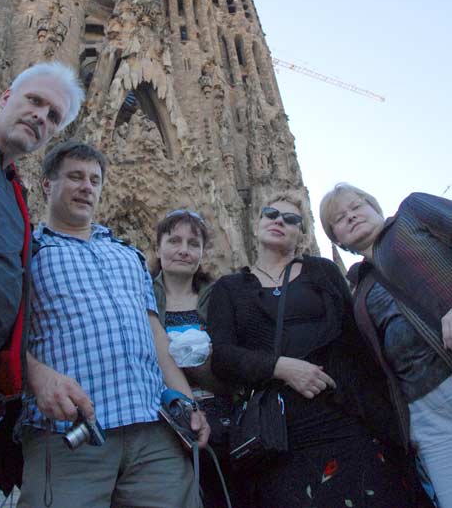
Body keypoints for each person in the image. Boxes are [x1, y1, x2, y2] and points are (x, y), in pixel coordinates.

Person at [207, 190, 432, 508]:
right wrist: (280, 367)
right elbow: (223, 357)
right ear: (255, 223)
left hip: (343, 416)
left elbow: (356, 345)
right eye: (271, 214)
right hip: (281, 435)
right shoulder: (229, 289)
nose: (279, 222)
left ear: (301, 232)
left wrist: (391, 423)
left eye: (290, 219)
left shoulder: (322, 271)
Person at [18, 141, 210, 508]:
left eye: (94, 179)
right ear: (46, 184)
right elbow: (3, 330)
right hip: (69, 434)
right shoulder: (28, 251)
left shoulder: (128, 255)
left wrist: (186, 403)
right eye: (75, 177)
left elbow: (155, 334)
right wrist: (35, 376)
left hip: (153, 432)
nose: (86, 187)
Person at [0, 61, 83, 488]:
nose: (41, 117)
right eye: (35, 101)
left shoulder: (15, 198)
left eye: (53, 117)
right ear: (5, 97)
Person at [320, 183, 452, 508]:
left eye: (357, 206)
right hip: (425, 413)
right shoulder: (359, 288)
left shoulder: (412, 213)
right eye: (339, 218)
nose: (351, 216)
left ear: (375, 207)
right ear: (336, 239)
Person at [153, 209, 232, 508]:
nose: (183, 250)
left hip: (221, 422)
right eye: (174, 241)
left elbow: (237, 365)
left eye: (193, 243)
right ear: (158, 246)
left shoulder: (223, 298)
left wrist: (200, 365)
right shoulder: (139, 297)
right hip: (160, 424)